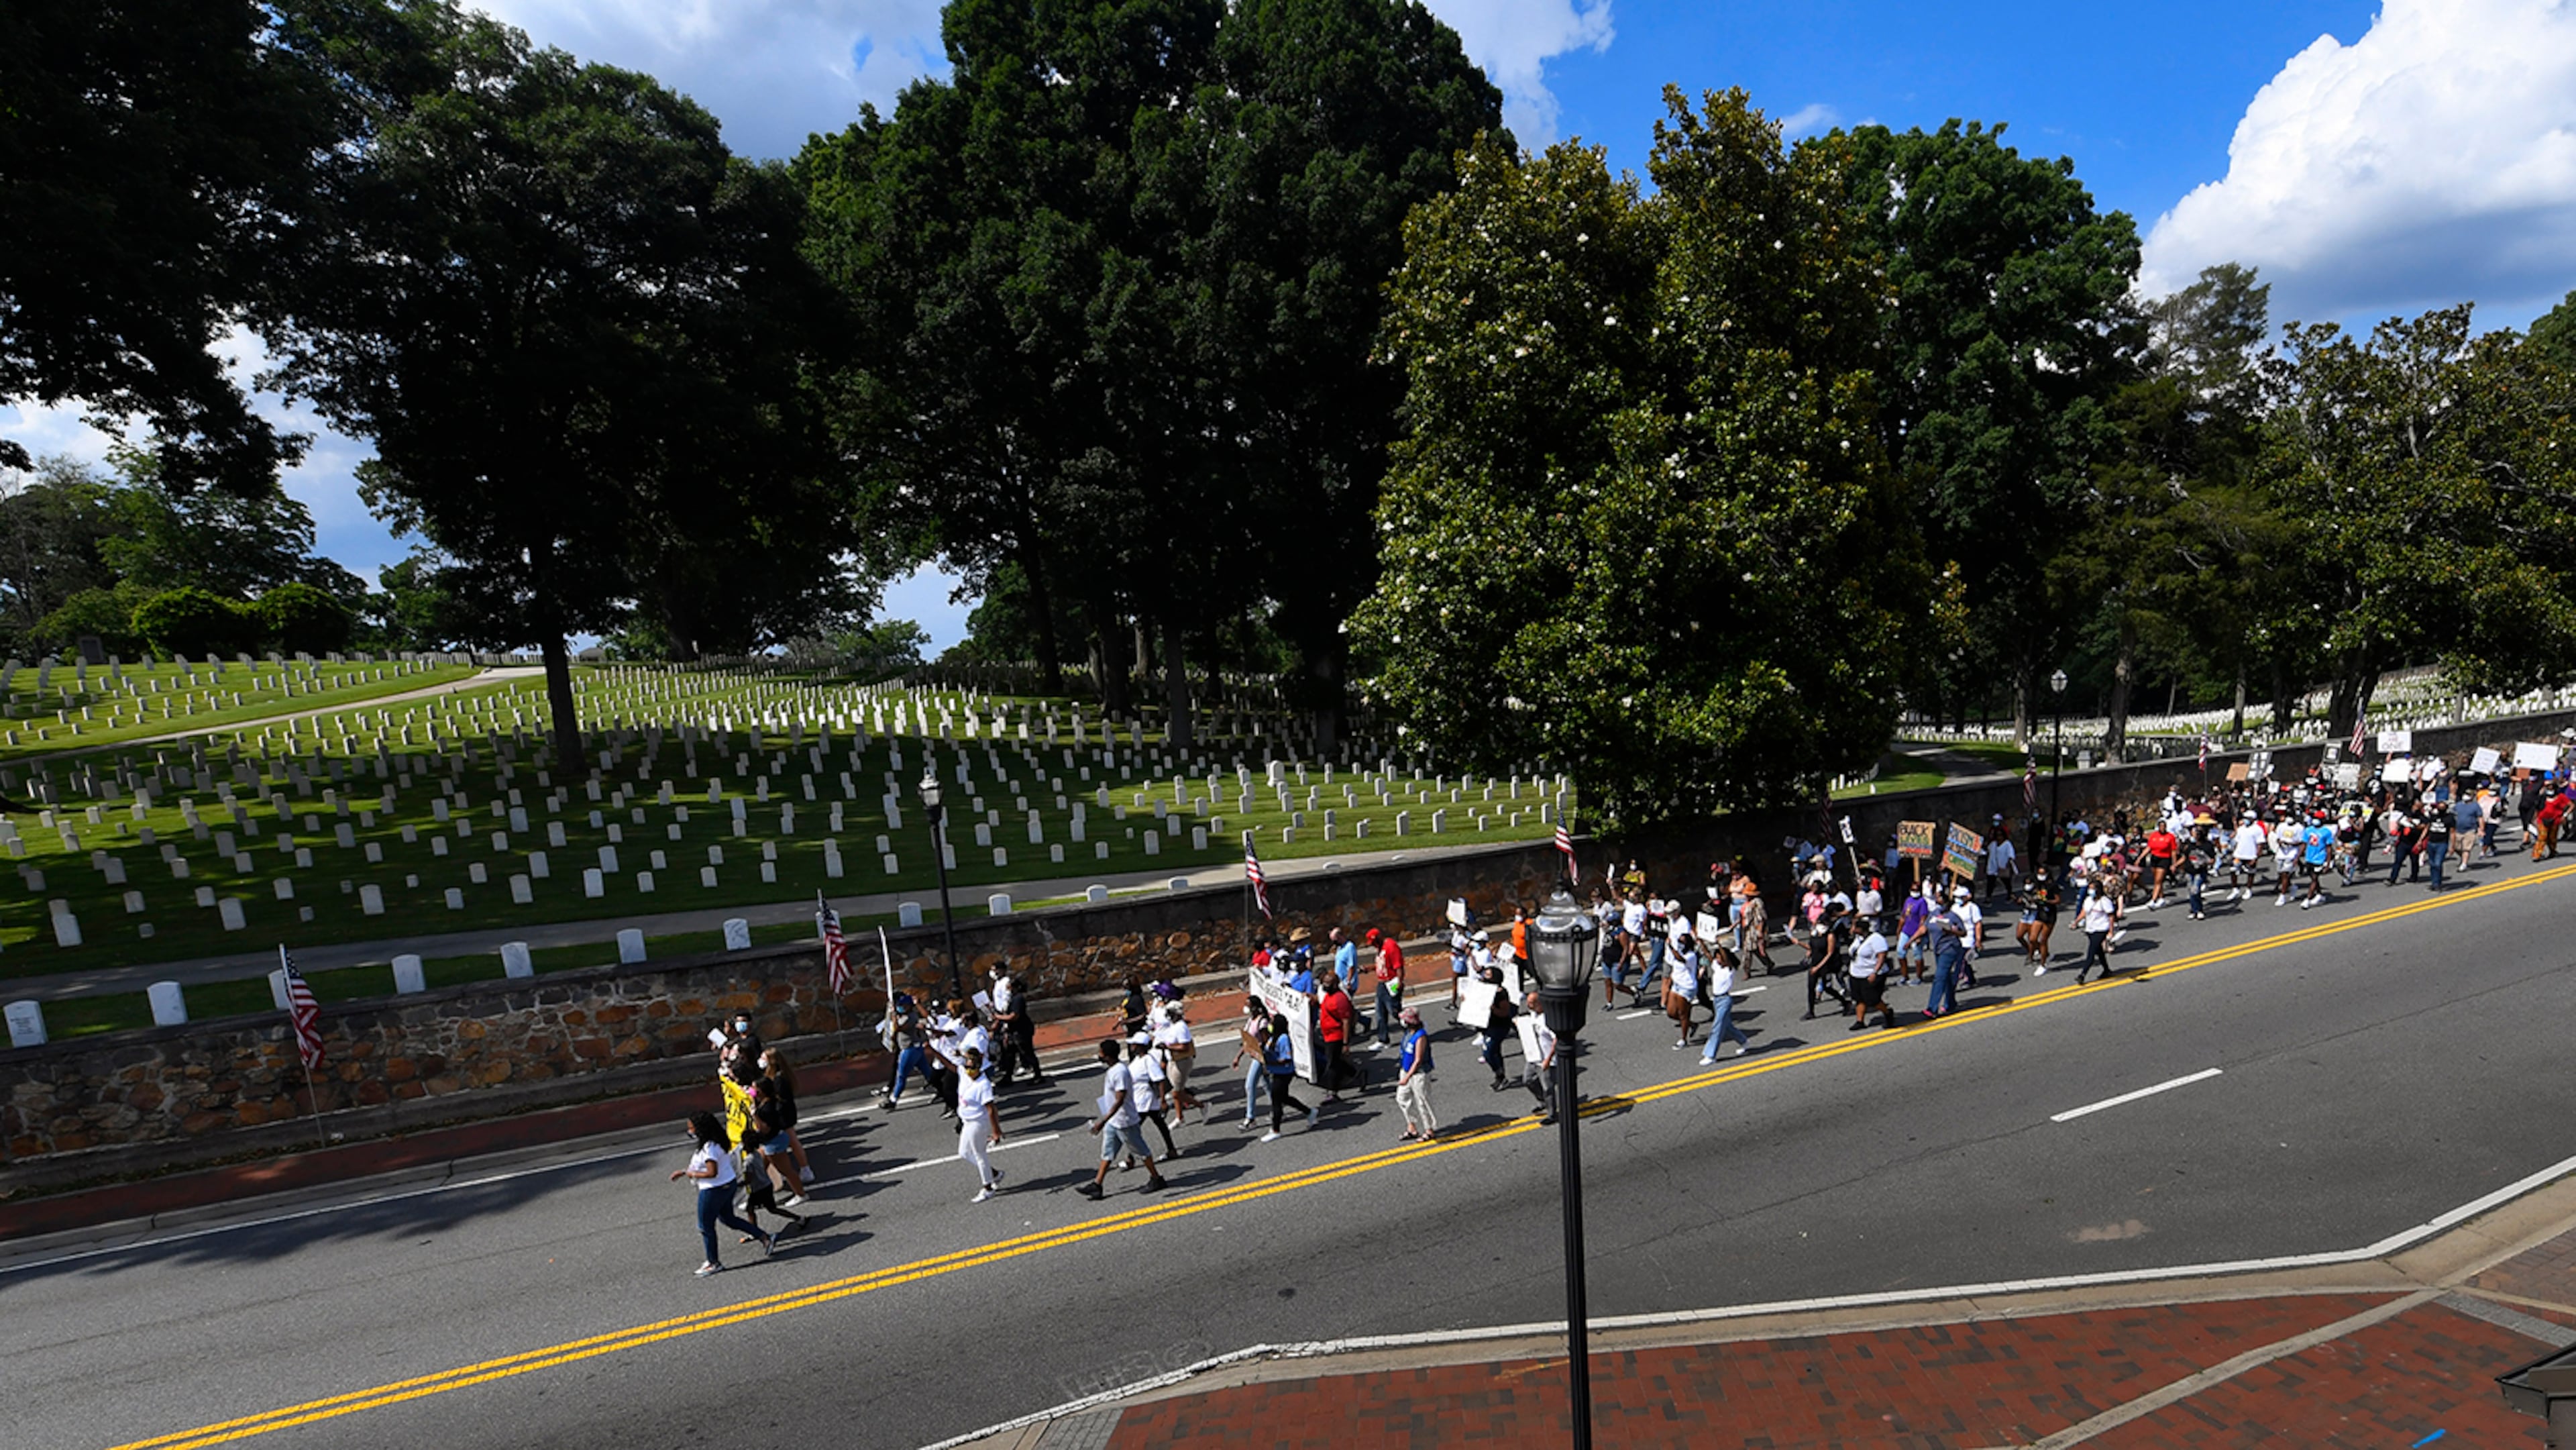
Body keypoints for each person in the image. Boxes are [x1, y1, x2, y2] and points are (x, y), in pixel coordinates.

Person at [672, 1110, 773, 1278]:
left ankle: (713, 1262)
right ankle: (764, 1237)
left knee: (705, 1226)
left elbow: (712, 1172)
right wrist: (684, 1171)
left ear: (700, 1129)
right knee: (728, 1219)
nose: (690, 1131)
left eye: (691, 1128)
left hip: (713, 1189)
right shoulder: (717, 1142)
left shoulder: (709, 1148)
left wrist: (692, 1174)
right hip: (727, 1185)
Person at [1079, 1039, 1167, 1198]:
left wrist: (1102, 1121)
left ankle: (1157, 1178)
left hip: (1125, 1121)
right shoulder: (1114, 1069)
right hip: (1115, 1121)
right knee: (1108, 1152)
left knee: (1142, 1151)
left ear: (1107, 1056)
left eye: (1100, 1053)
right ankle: (1097, 1185)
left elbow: (1120, 1099)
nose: (1099, 1055)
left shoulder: (1120, 1072)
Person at [956, 1044, 1004, 1202]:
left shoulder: (984, 1085)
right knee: (964, 1153)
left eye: (972, 1068)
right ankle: (995, 1174)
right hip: (967, 1121)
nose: (969, 1071)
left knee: (979, 1154)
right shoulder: (964, 1073)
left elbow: (991, 1109)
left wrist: (996, 1131)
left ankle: (988, 1187)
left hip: (978, 1122)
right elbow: (954, 1064)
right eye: (967, 1067)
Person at [987, 966, 1047, 1088]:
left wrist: (998, 1018)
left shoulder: (1018, 999)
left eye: (1010, 986)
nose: (1008, 988)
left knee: (1027, 1052)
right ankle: (1008, 1077)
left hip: (1021, 1031)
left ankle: (1038, 1075)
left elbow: (1014, 1016)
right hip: (1013, 1031)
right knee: (1010, 1054)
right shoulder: (1013, 999)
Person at [1258, 1012, 1315, 1141]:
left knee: (1276, 1100)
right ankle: (1309, 1112)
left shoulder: (1284, 1039)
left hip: (1283, 1074)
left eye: (1272, 1022)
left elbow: (1286, 1059)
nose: (1270, 1025)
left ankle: (1276, 1129)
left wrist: (1271, 1062)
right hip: (1276, 1072)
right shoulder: (1273, 1038)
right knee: (1284, 1098)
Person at [1699, 945, 1754, 1059]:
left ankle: (1710, 1055)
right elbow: (1708, 955)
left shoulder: (1730, 969)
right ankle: (1744, 1042)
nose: (1718, 960)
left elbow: (1725, 958)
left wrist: (1719, 945)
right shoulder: (1717, 967)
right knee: (1728, 1027)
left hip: (1725, 1001)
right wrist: (1701, 942)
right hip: (1717, 1000)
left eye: (1720, 958)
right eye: (1717, 958)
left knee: (1717, 1028)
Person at [1394, 1008, 1438, 1141]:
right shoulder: (1408, 1034)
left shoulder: (1421, 1036)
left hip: (1419, 1074)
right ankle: (1412, 1126)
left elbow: (1418, 1060)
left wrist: (1407, 1077)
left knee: (1422, 1101)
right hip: (1406, 1071)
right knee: (1402, 1098)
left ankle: (1429, 1129)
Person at [1316, 971, 1360, 1100]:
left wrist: (1346, 1043)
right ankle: (1356, 1075)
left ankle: (1333, 1092)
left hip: (1336, 1036)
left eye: (1328, 983)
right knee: (1336, 1061)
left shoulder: (1340, 999)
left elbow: (1346, 1021)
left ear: (1335, 985)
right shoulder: (1329, 996)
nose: (1325, 986)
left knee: (1332, 1065)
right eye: (1324, 983)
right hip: (1328, 1035)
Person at [1152, 1000, 1200, 1122]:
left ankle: (1202, 1106)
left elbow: (1185, 1047)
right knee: (1178, 1090)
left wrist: (1167, 1047)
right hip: (1172, 1060)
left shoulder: (1181, 1027)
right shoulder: (1174, 1025)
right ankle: (1179, 1117)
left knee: (1176, 1093)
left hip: (1182, 1062)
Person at [1846, 917, 1894, 1031]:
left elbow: (1881, 956)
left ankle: (1887, 1013)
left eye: (1856, 928)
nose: (1853, 930)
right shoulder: (1858, 938)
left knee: (1873, 1000)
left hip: (1870, 973)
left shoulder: (1876, 939)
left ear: (1861, 929)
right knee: (1859, 998)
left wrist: (1875, 972)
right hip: (1856, 973)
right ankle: (1860, 1021)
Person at [1230, 996, 1270, 1128]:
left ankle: (1251, 1118)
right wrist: (1238, 1057)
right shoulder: (1250, 1021)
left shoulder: (1262, 1022)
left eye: (1248, 1005)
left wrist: (1261, 1054)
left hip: (1260, 1057)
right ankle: (1277, 1108)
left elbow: (1266, 1042)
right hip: (1254, 1055)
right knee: (1267, 1086)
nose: (1246, 1007)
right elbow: (1247, 1041)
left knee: (1250, 1085)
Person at [1521, 992, 1560, 1123]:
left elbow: (1556, 1040)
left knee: (1547, 1087)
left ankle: (1552, 1114)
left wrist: (1548, 1059)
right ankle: (1542, 1100)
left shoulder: (1548, 1019)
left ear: (1540, 1004)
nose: (1528, 1005)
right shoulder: (1533, 1014)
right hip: (1534, 1056)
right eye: (1528, 1002)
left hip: (1546, 1058)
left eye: (1532, 1003)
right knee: (1528, 1080)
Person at [2074, 883, 2121, 984]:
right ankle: (2107, 970)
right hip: (2090, 928)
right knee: (2099, 951)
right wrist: (2076, 922)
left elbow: (2111, 916)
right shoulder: (2088, 900)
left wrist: (2111, 931)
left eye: (2092, 889)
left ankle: (2083, 974)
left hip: (2101, 929)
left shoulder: (2105, 901)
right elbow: (2084, 912)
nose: (2090, 891)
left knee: (2091, 952)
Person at [1369, 928, 1405, 1047]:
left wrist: (1400, 981)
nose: (1373, 946)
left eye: (1374, 942)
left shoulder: (1391, 946)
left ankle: (1412, 1030)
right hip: (1382, 984)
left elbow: (1398, 965)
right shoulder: (1380, 949)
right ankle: (1383, 1039)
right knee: (1380, 1013)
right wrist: (1369, 969)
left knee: (1395, 1011)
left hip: (1391, 983)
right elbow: (1381, 964)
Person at [1664, 931, 1701, 1047]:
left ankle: (1684, 1039)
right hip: (1676, 985)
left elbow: (1680, 960)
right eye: (1679, 941)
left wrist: (1671, 948)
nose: (1680, 944)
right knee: (1671, 1012)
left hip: (1686, 987)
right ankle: (1692, 1025)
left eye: (1682, 942)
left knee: (1683, 1014)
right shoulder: (1677, 953)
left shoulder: (1691, 955)